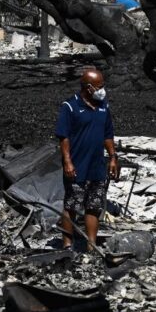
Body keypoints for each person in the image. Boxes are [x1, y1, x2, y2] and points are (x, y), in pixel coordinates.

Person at [55, 67, 118, 253]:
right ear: (88, 88)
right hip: (77, 166)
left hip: (97, 166)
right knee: (72, 206)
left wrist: (113, 157)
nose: (102, 90)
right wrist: (67, 161)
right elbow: (63, 136)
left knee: (94, 206)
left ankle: (91, 245)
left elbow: (108, 134)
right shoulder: (70, 107)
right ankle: (67, 244)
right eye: (99, 86)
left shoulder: (103, 106)